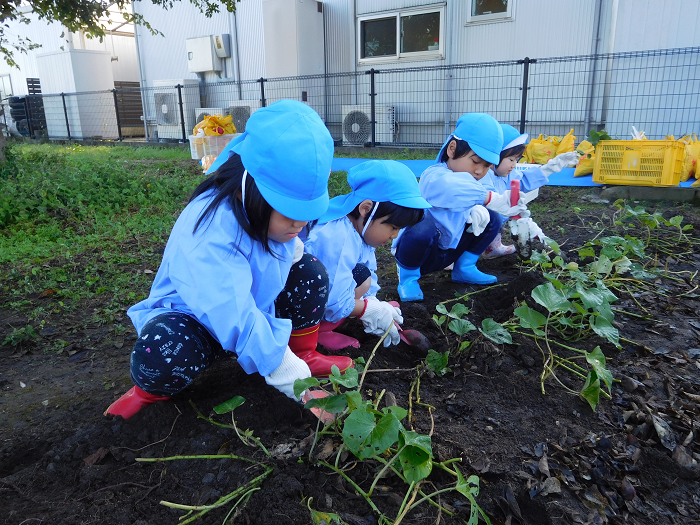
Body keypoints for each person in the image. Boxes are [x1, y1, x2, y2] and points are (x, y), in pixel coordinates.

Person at [104, 100, 352, 419]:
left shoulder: (268, 219)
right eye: (290, 213)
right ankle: (147, 393)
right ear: (245, 191)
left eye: (306, 214)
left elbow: (289, 254)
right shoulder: (209, 233)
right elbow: (232, 314)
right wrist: (301, 385)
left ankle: (303, 351)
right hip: (195, 321)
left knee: (310, 273)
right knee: (166, 350)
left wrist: (292, 359)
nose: (299, 224)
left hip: (252, 306)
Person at [393, 112, 531, 302]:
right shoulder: (433, 175)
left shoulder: (474, 180)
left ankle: (464, 268)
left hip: (451, 252)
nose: (479, 171)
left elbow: (475, 193)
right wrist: (489, 198)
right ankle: (408, 278)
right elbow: (451, 187)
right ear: (452, 149)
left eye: (486, 166)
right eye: (475, 161)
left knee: (492, 217)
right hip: (423, 255)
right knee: (421, 227)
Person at [303, 160, 431, 349]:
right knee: (360, 279)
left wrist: (372, 301)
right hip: (297, 304)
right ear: (366, 209)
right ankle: (314, 333)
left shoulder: (360, 232)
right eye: (393, 227)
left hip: (319, 294)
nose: (394, 235)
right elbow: (333, 299)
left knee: (363, 276)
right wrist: (367, 310)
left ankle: (323, 326)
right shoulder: (338, 236)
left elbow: (367, 271)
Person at [479, 123, 579, 258]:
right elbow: (492, 201)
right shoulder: (482, 175)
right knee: (491, 218)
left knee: (498, 220)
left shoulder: (508, 174)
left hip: (492, 222)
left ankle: (492, 247)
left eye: (517, 160)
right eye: (511, 159)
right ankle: (458, 256)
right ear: (495, 156)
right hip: (474, 223)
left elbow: (524, 180)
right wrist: (517, 216)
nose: (514, 164)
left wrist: (551, 167)